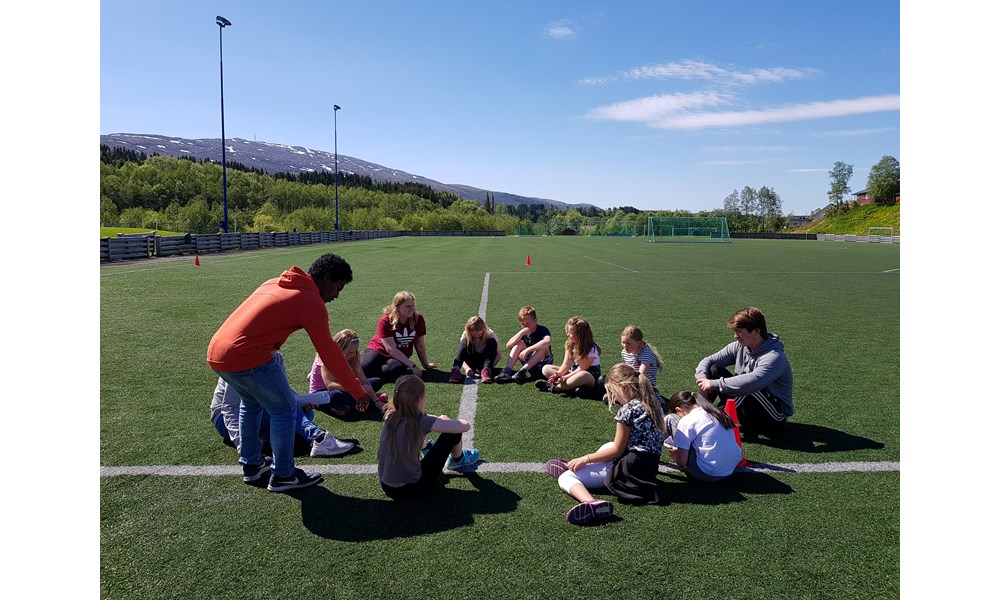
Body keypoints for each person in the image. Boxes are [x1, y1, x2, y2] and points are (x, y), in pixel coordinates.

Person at [207, 253, 366, 493]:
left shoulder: (276, 282)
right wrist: (357, 390)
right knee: (283, 410)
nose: (336, 295)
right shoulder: (309, 299)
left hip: (218, 354)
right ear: (325, 278)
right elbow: (330, 353)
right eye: (337, 287)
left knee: (250, 404)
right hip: (248, 356)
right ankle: (283, 475)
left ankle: (252, 465)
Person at [545, 363, 667, 525]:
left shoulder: (628, 410)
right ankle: (575, 467)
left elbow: (617, 451)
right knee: (607, 446)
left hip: (629, 471)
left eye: (612, 393)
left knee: (565, 478)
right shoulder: (654, 403)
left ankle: (591, 503)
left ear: (623, 387)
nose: (614, 399)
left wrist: (585, 459)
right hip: (648, 467)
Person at [211, 351, 355, 457]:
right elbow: (229, 407)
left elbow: (284, 392)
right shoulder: (239, 362)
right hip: (224, 420)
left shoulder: (275, 357)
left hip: (259, 412)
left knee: (307, 412)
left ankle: (263, 438)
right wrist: (240, 442)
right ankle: (318, 437)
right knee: (286, 408)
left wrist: (304, 401)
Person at [377, 375, 481, 500]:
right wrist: (446, 420)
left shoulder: (390, 415)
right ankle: (457, 460)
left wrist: (436, 420)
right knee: (453, 433)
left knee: (412, 440)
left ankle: (427, 447)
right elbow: (465, 426)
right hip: (413, 489)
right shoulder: (420, 421)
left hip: (386, 486)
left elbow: (408, 436)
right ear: (420, 399)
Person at [694, 307, 793, 437]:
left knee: (749, 388)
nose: (736, 336)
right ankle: (697, 411)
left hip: (773, 419)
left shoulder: (774, 357)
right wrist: (702, 378)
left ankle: (711, 419)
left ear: (756, 331)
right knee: (714, 369)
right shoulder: (740, 346)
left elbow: (752, 382)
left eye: (739, 332)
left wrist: (713, 384)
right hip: (747, 410)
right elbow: (709, 360)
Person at [665, 390, 743, 482]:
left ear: (678, 410)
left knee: (670, 418)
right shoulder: (717, 412)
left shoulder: (687, 420)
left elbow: (682, 462)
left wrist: (676, 456)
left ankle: (651, 454)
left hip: (706, 473)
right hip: (730, 469)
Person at [308, 328, 389, 416]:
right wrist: (356, 389)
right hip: (325, 391)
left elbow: (364, 380)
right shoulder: (326, 357)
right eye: (350, 352)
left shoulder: (354, 357)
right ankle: (350, 404)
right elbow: (330, 385)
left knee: (376, 381)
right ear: (340, 349)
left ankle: (353, 404)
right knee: (337, 396)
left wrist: (376, 401)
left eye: (355, 351)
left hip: (346, 387)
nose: (353, 355)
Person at [361, 291, 437, 382]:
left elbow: (419, 344)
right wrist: (413, 366)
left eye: (413, 305)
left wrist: (425, 364)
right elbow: (391, 349)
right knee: (364, 367)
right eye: (408, 306)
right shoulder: (385, 320)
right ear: (397, 307)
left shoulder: (418, 318)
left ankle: (374, 376)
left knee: (394, 370)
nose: (411, 309)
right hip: (379, 349)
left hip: (399, 355)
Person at [535, 316, 601, 396]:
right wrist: (558, 374)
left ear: (580, 335)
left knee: (583, 375)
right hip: (573, 373)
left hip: (589, 378)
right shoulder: (570, 344)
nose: (567, 334)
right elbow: (566, 365)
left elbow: (581, 369)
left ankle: (553, 387)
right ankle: (572, 388)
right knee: (546, 368)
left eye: (570, 333)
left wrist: (564, 378)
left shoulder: (592, 349)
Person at [494, 305, 554, 383]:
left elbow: (547, 342)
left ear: (535, 320)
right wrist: (521, 332)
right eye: (522, 324)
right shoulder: (524, 332)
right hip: (531, 366)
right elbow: (509, 345)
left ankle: (522, 371)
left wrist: (528, 349)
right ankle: (507, 371)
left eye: (528, 323)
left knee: (543, 346)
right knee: (519, 343)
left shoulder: (542, 330)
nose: (525, 326)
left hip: (543, 365)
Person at [448, 315, 499, 384]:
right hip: (471, 359)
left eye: (479, 334)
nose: (477, 336)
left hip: (485, 361)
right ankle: (456, 369)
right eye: (474, 335)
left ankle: (486, 371)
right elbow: (461, 354)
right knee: (464, 341)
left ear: (483, 330)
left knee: (492, 341)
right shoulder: (466, 334)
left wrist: (490, 367)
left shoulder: (490, 334)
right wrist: (467, 368)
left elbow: (498, 355)